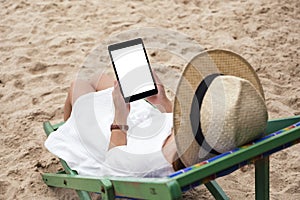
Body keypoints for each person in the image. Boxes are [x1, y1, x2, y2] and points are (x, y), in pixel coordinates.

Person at [45, 70, 181, 177]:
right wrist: (162, 102)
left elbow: (113, 167)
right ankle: (73, 127)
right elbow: (170, 127)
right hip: (144, 122)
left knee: (78, 84)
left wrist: (119, 117)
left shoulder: (150, 162)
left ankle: (72, 134)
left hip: (112, 136)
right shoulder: (190, 140)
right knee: (97, 78)